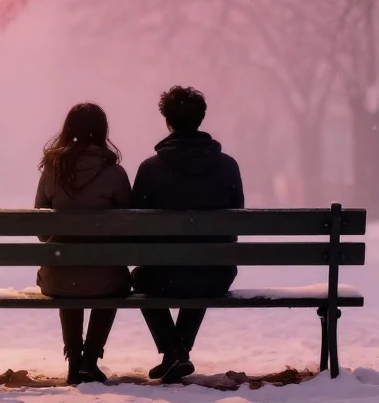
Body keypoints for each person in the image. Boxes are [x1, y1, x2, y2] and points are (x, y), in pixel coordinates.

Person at [131, 86, 244, 383]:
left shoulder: (150, 169)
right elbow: (235, 223)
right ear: (201, 118)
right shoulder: (227, 166)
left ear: (168, 121)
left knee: (142, 279)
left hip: (162, 275)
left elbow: (135, 226)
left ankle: (174, 351)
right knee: (204, 267)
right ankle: (176, 353)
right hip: (214, 273)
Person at [34, 102, 131, 385]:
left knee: (67, 267)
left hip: (59, 278)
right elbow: (129, 227)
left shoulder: (52, 169)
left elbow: (41, 230)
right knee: (109, 277)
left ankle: (75, 360)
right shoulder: (114, 173)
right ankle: (90, 360)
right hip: (106, 280)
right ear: (102, 132)